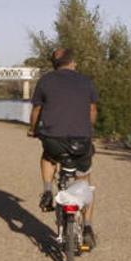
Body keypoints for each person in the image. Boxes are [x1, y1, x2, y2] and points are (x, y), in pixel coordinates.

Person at [28, 47, 98, 245]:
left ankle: (48, 190)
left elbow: (37, 110)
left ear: (55, 65)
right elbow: (92, 109)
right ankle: (88, 228)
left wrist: (33, 129)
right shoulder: (86, 82)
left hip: (54, 139)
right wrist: (88, 130)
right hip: (81, 140)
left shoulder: (45, 81)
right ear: (73, 63)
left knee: (48, 155)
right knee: (85, 181)